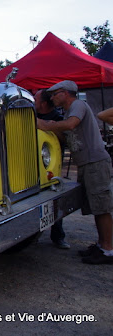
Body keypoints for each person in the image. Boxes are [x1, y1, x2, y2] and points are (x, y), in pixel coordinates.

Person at [37, 80, 113, 264]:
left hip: (95, 162)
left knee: (102, 208)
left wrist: (46, 125)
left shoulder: (78, 105)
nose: (52, 98)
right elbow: (67, 135)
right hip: (87, 163)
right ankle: (101, 245)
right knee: (96, 206)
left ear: (65, 93)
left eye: (55, 94)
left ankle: (108, 250)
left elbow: (71, 125)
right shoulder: (69, 111)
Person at [34, 89, 69, 249]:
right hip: (33, 163)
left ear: (43, 103)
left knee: (53, 194)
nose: (33, 100)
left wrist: (48, 127)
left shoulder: (57, 118)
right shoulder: (31, 114)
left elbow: (65, 138)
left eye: (35, 98)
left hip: (50, 163)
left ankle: (58, 235)